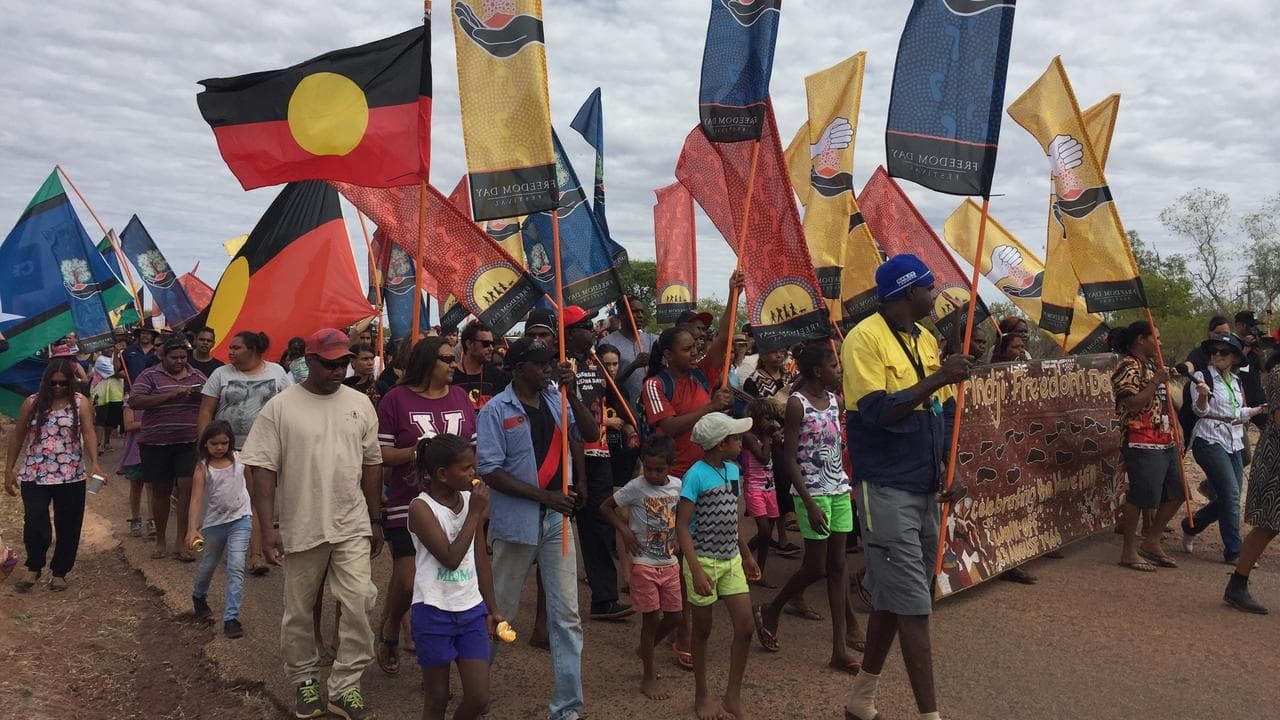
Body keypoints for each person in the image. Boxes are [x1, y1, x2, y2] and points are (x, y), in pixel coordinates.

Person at [842, 254, 972, 720]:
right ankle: (929, 715)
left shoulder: (924, 338)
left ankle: (860, 698)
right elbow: (875, 411)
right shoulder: (864, 340)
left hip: (925, 486)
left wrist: (950, 465)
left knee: (896, 598)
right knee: (915, 605)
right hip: (886, 488)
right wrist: (939, 376)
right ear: (907, 292)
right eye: (929, 286)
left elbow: (943, 410)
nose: (935, 294)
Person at [240, 329, 384, 720]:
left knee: (358, 601)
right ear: (311, 361)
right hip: (302, 523)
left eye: (345, 362)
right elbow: (261, 467)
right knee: (300, 610)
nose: (340, 369)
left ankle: (344, 686)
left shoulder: (360, 404)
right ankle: (304, 679)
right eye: (331, 363)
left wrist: (375, 518)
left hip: (351, 521)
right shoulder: (282, 406)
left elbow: (372, 463)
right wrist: (268, 527)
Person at [476, 336, 600, 720]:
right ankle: (475, 690)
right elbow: (489, 470)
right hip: (517, 522)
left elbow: (590, 433)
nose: (548, 368)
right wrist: (545, 498)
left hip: (556, 522)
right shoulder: (495, 410)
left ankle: (566, 709)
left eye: (550, 361)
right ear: (518, 369)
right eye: (540, 363)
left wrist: (573, 392)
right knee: (500, 611)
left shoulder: (555, 398)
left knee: (566, 616)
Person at [755, 342, 862, 673]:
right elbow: (788, 459)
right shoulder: (797, 406)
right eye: (834, 364)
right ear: (818, 371)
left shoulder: (835, 402)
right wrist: (811, 502)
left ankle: (838, 649)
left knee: (838, 565)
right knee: (816, 567)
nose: (839, 369)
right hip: (811, 494)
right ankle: (771, 609)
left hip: (839, 490)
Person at [375, 337, 477, 675]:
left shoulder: (461, 398)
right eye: (446, 359)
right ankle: (391, 629)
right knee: (407, 579)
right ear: (426, 363)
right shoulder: (395, 400)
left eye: (454, 358)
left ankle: (437, 655)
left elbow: (472, 450)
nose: (453, 364)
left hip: (455, 505)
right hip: (409, 503)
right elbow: (380, 454)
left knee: (444, 575)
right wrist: (416, 452)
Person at [407, 433, 501, 720]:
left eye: (473, 467)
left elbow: (480, 561)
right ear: (443, 474)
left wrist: (492, 609)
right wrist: (474, 514)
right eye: (466, 468)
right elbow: (450, 559)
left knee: (479, 698)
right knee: (436, 697)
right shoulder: (421, 508)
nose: (474, 474)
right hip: (433, 610)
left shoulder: (468, 501)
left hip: (471, 610)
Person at [676, 412, 761, 720]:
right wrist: (695, 569)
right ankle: (702, 693)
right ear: (720, 444)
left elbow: (733, 518)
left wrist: (746, 554)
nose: (741, 442)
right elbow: (682, 526)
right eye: (736, 438)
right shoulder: (696, 475)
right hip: (704, 560)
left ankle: (732, 696)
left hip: (730, 559)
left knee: (746, 626)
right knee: (703, 629)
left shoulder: (733, 470)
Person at [198, 330, 292, 574]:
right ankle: (236, 549)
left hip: (266, 448)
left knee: (261, 500)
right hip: (229, 451)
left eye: (236, 348)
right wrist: (203, 448)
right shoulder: (220, 374)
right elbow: (206, 411)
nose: (230, 352)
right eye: (230, 347)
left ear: (253, 350)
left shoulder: (277, 372)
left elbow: (289, 407)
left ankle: (257, 554)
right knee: (237, 501)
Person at [5, 358, 101, 592]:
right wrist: (9, 470)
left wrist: (95, 464)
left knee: (68, 524)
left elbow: (88, 434)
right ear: (45, 382)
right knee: (36, 520)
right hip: (35, 474)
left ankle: (60, 571)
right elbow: (17, 437)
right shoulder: (32, 403)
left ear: (71, 383)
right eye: (53, 383)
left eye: (63, 383)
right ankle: (34, 566)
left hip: (71, 475)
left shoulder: (80, 403)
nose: (58, 387)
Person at [600, 434, 684, 700]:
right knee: (651, 619)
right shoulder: (635, 487)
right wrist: (624, 531)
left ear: (670, 467)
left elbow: (679, 515)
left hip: (669, 562)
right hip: (644, 563)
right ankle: (648, 675)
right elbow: (606, 507)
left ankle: (645, 649)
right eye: (648, 468)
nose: (653, 475)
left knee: (675, 617)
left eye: (659, 470)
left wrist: (680, 537)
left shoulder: (677, 486)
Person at [563, 305, 633, 621]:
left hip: (599, 454)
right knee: (556, 529)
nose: (591, 330)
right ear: (568, 333)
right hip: (567, 457)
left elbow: (611, 398)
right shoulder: (558, 367)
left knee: (598, 526)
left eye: (591, 324)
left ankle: (604, 599)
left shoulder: (596, 362)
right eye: (584, 325)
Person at [1108, 320, 1185, 573]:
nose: (1160, 343)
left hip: (1164, 438)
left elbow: (1167, 404)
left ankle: (1152, 540)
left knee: (1177, 491)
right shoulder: (1127, 366)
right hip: (1141, 439)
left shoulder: (1152, 366)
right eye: (1156, 338)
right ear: (1141, 340)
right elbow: (1132, 404)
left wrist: (1178, 430)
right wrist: (1155, 382)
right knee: (1141, 495)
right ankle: (1128, 551)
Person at [1180, 333, 1264, 563]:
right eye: (1214, 351)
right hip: (1209, 440)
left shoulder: (1236, 382)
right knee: (1231, 494)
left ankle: (1191, 525)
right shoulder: (1201, 376)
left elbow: (1236, 414)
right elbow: (1201, 412)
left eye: (1223, 352)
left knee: (1230, 497)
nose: (1217, 355)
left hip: (1234, 441)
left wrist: (1257, 410)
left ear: (1235, 358)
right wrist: (1202, 397)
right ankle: (1234, 551)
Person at [129, 336, 207, 561]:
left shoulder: (197, 375)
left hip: (188, 442)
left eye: (183, 357)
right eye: (175, 357)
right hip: (155, 443)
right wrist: (170, 395)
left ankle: (181, 541)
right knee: (161, 491)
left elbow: (213, 400)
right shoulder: (149, 375)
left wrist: (199, 394)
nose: (180, 361)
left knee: (186, 489)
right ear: (163, 356)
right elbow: (135, 401)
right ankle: (161, 539)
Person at [186, 420, 253, 639]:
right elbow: (195, 500)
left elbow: (250, 486)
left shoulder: (240, 460)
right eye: (214, 443)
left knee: (236, 565)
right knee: (209, 564)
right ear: (205, 444)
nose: (220, 448)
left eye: (224, 443)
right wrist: (191, 529)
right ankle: (199, 595)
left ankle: (231, 617)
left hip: (240, 519)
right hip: (214, 523)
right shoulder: (203, 468)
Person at [1226, 349, 1280, 613]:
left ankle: (1237, 584)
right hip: (1276, 462)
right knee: (1268, 525)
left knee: (1269, 526)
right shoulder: (1279, 374)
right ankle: (1237, 584)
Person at [742, 345, 801, 557]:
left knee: (783, 487)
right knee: (776, 484)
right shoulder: (753, 380)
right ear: (763, 355)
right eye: (772, 351)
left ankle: (778, 537)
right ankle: (778, 538)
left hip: (791, 435)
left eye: (780, 352)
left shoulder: (790, 377)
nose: (778, 354)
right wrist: (772, 430)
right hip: (770, 439)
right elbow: (755, 411)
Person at [741, 398, 786, 582]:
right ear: (755, 418)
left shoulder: (765, 435)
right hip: (754, 488)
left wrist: (777, 439)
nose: (770, 422)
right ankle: (744, 555)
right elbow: (763, 459)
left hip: (770, 487)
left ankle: (759, 571)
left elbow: (778, 455)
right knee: (765, 531)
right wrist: (769, 440)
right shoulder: (749, 437)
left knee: (766, 533)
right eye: (766, 418)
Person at [600, 295, 658, 401]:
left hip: (651, 403)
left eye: (642, 312)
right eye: (634, 311)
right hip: (623, 406)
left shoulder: (652, 340)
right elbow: (606, 383)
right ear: (621, 315)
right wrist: (634, 365)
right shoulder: (608, 342)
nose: (640, 315)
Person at [453, 320, 510, 412]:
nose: (491, 348)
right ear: (469, 344)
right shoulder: (450, 376)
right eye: (486, 344)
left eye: (493, 344)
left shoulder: (498, 376)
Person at [117, 402, 153, 538]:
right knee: (136, 485)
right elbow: (129, 425)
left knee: (152, 486)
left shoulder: (157, 400)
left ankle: (152, 519)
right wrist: (152, 422)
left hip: (153, 448)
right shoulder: (130, 403)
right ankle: (135, 518)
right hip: (135, 450)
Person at [91, 344, 125, 452]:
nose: (110, 349)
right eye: (107, 347)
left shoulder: (120, 357)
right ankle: (98, 444)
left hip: (116, 394)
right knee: (101, 419)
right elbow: (116, 373)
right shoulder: (100, 359)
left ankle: (107, 442)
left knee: (111, 420)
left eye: (111, 347)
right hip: (101, 394)